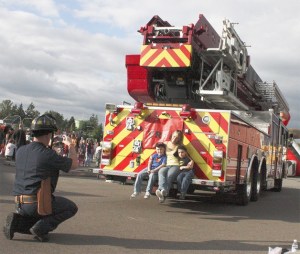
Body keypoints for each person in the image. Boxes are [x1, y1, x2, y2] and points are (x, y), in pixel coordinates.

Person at [3, 114, 79, 242]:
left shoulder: (21, 150)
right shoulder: (48, 154)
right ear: (49, 134)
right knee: (71, 207)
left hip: (19, 202)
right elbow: (74, 165)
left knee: (39, 213)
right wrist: (71, 146)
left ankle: (17, 222)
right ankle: (40, 228)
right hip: (36, 203)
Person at [156, 130, 183, 203]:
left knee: (169, 175)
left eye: (177, 137)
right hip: (167, 164)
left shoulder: (180, 146)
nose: (174, 138)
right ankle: (161, 190)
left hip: (176, 165)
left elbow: (185, 156)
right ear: (171, 135)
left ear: (179, 139)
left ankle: (164, 193)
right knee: (161, 172)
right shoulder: (166, 143)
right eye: (174, 136)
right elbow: (158, 149)